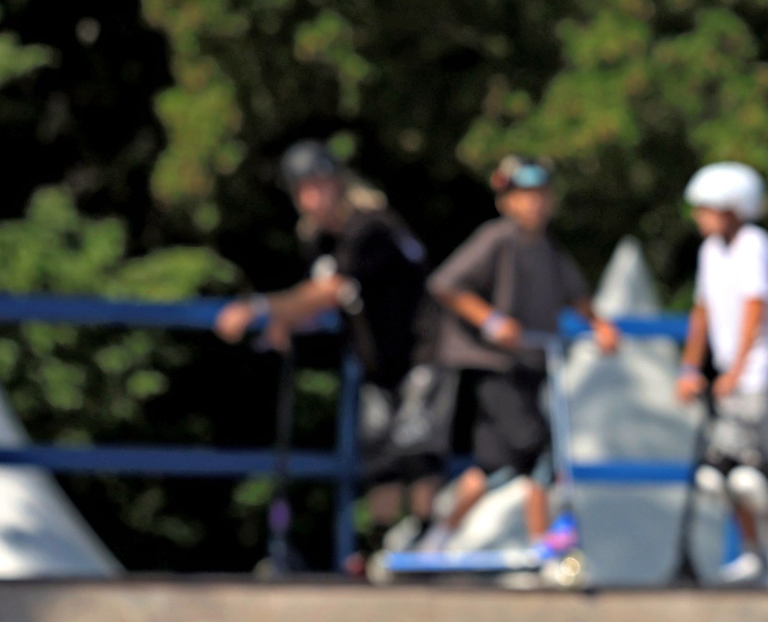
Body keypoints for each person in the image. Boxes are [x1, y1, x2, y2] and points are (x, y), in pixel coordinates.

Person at [214, 140, 443, 557]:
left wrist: (259, 307)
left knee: (417, 450)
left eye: (319, 186)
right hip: (376, 363)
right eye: (302, 189)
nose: (312, 198)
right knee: (379, 458)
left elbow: (330, 290)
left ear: (339, 184)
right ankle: (383, 550)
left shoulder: (370, 227)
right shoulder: (321, 239)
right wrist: (287, 320)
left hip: (421, 352)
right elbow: (322, 299)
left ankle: (429, 545)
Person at [424, 156, 619, 548]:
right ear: (506, 201)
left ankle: (436, 538)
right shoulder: (497, 239)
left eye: (540, 195)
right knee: (539, 450)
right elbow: (446, 284)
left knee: (493, 467)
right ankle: (541, 543)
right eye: (524, 195)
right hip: (497, 369)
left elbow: (576, 295)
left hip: (532, 367)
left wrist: (600, 326)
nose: (534, 203)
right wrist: (492, 320)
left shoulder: (548, 249)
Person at [675, 161, 768, 593]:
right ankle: (751, 553)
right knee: (725, 474)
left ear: (731, 208)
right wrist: (690, 367)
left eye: (706, 208)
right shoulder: (710, 251)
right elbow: (702, 311)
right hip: (731, 380)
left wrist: (735, 370)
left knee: (765, 474)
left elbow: (756, 307)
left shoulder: (755, 245)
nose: (699, 216)